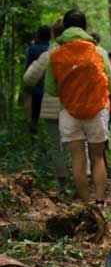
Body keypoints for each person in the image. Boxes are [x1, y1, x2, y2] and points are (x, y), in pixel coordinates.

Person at [45, 10, 111, 205]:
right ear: (84, 28)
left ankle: (86, 204)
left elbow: (50, 89)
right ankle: (100, 201)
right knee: (98, 158)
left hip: (69, 112)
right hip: (97, 110)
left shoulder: (56, 54)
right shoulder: (98, 52)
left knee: (77, 158)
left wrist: (70, 92)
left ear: (65, 28)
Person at [22, 19, 69, 191]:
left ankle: (63, 184)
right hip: (77, 104)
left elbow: (28, 78)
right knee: (80, 145)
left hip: (51, 104)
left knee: (57, 146)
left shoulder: (50, 54)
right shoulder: (86, 51)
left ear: (54, 35)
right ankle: (84, 182)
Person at [22, 25, 51, 131]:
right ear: (50, 36)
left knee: (33, 114)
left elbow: (27, 67)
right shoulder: (52, 49)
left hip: (33, 86)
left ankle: (33, 132)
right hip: (47, 87)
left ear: (37, 35)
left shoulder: (31, 49)